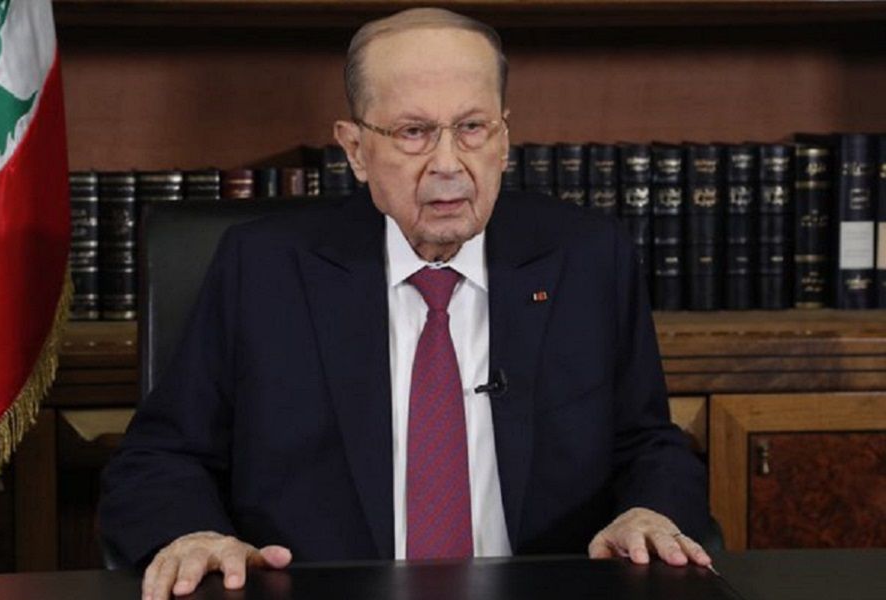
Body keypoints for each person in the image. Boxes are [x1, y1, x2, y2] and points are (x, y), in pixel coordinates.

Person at [99, 8, 712, 600]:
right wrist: (194, 535)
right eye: (413, 133)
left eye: (472, 128)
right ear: (355, 149)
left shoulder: (586, 258)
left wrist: (649, 512)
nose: (448, 164)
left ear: (504, 139)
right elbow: (161, 456)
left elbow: (647, 443)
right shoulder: (263, 268)